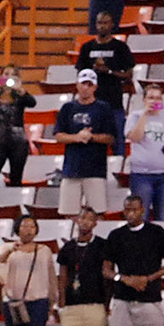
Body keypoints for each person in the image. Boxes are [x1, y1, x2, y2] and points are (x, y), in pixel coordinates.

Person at [105, 193, 164, 326]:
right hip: (122, 300)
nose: (131, 214)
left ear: (142, 210)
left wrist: (148, 278)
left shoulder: (156, 232)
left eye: (134, 210)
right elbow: (106, 269)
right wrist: (123, 279)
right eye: (127, 210)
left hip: (150, 298)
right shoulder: (116, 235)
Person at [54, 69, 119, 217]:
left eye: (89, 85)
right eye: (83, 84)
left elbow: (111, 138)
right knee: (69, 212)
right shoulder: (67, 108)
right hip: (71, 168)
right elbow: (58, 135)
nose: (86, 88)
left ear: (95, 87)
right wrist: (77, 137)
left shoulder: (103, 108)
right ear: (77, 85)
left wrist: (90, 137)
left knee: (97, 212)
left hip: (95, 169)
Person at [0, 215, 55, 326]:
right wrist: (10, 251)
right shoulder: (6, 248)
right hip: (14, 302)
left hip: (38, 302)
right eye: (24, 226)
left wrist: (52, 299)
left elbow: (51, 276)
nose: (28, 230)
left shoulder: (44, 250)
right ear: (17, 229)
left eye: (32, 226)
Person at [56, 206, 110, 326]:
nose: (85, 222)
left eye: (90, 219)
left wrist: (106, 305)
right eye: (83, 218)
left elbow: (108, 276)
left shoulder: (102, 245)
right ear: (76, 220)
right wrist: (62, 301)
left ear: (95, 223)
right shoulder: (67, 247)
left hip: (95, 305)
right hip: (71, 307)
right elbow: (63, 276)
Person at [126, 83, 164, 223]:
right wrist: (145, 114)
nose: (154, 101)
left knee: (163, 216)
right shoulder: (135, 116)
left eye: (158, 98)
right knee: (141, 216)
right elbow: (135, 137)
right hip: (142, 174)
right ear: (144, 99)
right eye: (151, 97)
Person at [0, 65, 35, 188]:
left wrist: (20, 90)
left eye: (12, 75)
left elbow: (32, 102)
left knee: (15, 179)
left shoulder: (20, 95)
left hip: (18, 141)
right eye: (5, 74)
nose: (8, 77)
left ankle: (14, 204)